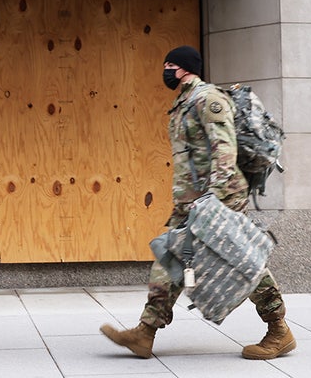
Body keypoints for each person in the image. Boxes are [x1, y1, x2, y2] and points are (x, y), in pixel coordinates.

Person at [100, 46, 296, 360]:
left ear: (185, 67)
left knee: (242, 259)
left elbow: (225, 152)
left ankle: (279, 329)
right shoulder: (183, 102)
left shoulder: (208, 100)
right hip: (191, 201)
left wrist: (213, 200)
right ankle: (145, 332)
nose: (165, 69)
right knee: (170, 257)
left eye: (169, 64)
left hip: (218, 198)